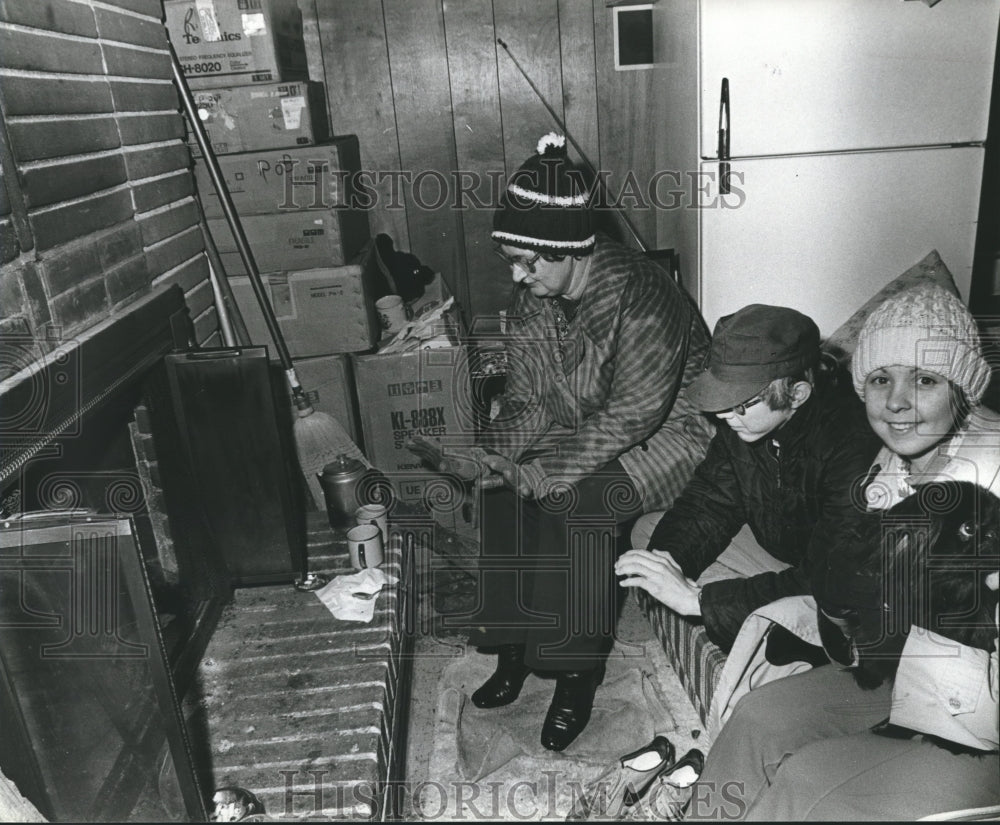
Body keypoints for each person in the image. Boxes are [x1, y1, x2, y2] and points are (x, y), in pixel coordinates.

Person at [684, 283, 999, 821]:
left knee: (809, 784)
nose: (896, 401)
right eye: (881, 379)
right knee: (759, 718)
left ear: (962, 388)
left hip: (981, 724)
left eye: (923, 379)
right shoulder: (885, 467)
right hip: (905, 673)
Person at [461, 132, 715, 752]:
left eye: (529, 262)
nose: (518, 278)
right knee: (500, 494)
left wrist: (548, 470)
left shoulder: (645, 293)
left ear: (569, 250)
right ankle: (515, 647)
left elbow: (633, 414)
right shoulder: (532, 301)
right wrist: (495, 454)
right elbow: (527, 401)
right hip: (584, 427)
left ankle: (575, 671)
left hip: (669, 436)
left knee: (571, 503)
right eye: (512, 262)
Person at [616, 304, 882, 652]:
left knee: (801, 619)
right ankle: (755, 621)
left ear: (797, 394)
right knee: (653, 538)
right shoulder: (743, 425)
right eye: (721, 399)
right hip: (783, 552)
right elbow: (710, 501)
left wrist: (698, 601)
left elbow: (835, 575)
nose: (724, 415)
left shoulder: (853, 444)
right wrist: (665, 572)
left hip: (833, 581)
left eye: (740, 404)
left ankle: (778, 634)